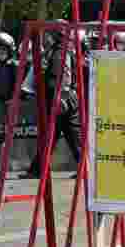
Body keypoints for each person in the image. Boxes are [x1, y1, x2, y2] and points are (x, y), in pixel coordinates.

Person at [20, 25, 82, 180]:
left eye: (49, 35)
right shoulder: (61, 51)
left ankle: (37, 169)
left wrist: (60, 98)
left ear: (55, 37)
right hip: (64, 98)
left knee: (56, 136)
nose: (46, 38)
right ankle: (38, 169)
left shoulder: (59, 53)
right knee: (61, 136)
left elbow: (64, 76)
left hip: (60, 98)